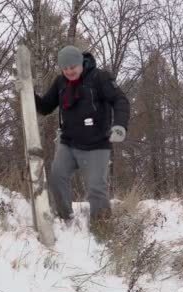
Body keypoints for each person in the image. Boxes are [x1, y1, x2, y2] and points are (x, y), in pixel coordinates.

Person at [34, 45, 130, 233]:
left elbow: (120, 100)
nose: (69, 71)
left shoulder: (99, 78)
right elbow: (45, 107)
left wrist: (119, 126)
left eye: (73, 67)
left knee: (96, 188)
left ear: (81, 63)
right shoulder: (60, 82)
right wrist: (28, 92)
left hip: (97, 144)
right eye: (65, 68)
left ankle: (102, 228)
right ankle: (66, 220)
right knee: (57, 177)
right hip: (68, 142)